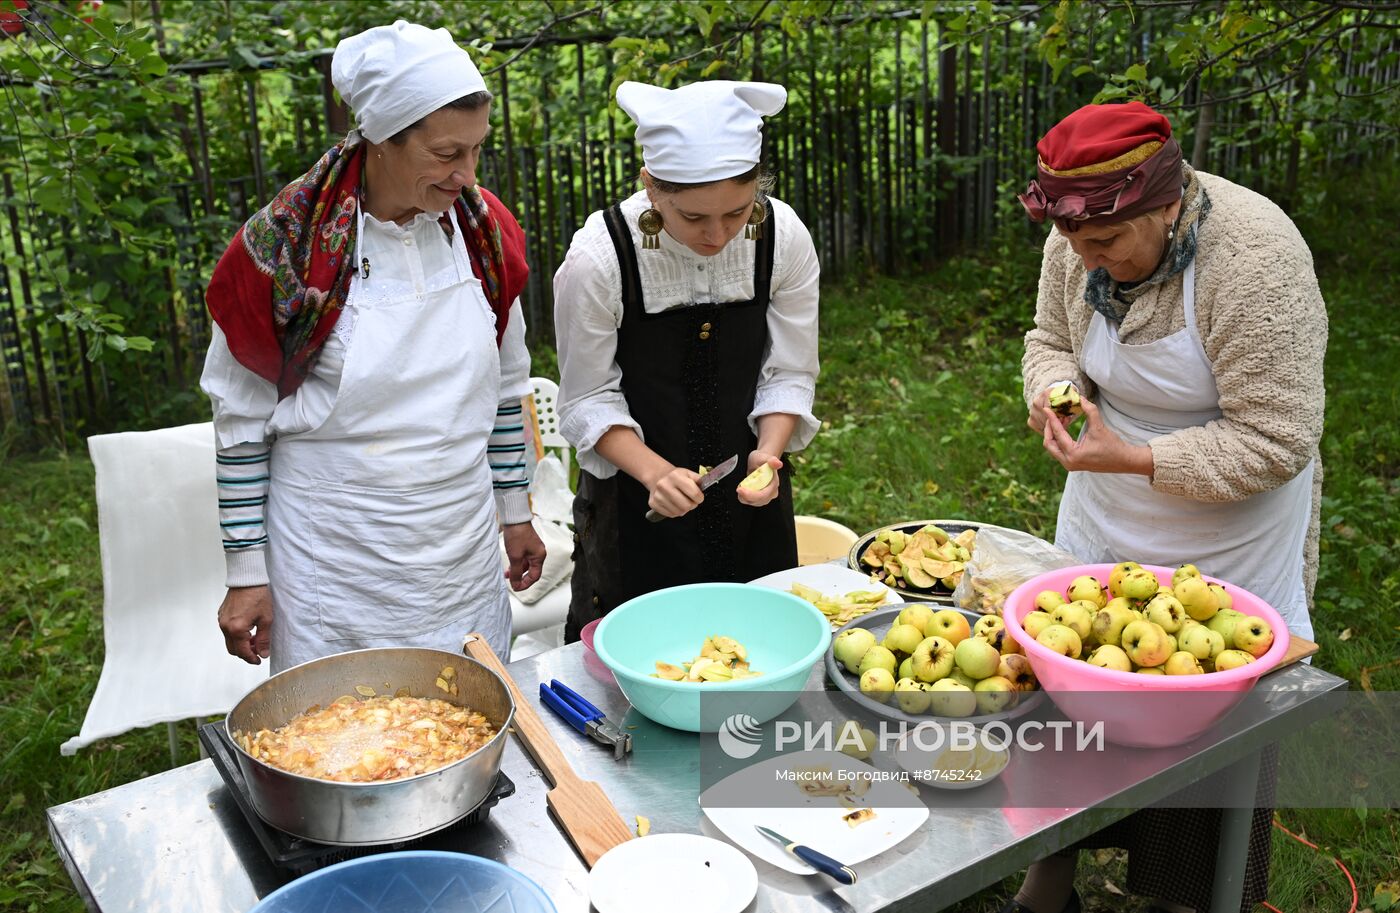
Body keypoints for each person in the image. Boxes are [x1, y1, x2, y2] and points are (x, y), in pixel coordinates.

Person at [1005, 102, 1327, 913]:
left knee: (1208, 713)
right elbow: (1048, 336)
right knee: (1071, 695)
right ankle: (1050, 877)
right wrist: (1054, 392)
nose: (1090, 262)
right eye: (1076, 244)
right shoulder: (1076, 235)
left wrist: (1137, 456)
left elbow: (1276, 440)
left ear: (1167, 201)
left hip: (1229, 534)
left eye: (1107, 243)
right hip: (1105, 508)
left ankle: (1188, 894)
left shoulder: (1255, 258)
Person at [201, 21, 544, 673]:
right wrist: (247, 571)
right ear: (381, 139)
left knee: (466, 713)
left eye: (476, 150)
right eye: (447, 153)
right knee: (347, 741)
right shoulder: (285, 253)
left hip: (459, 549)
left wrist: (515, 510)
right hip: (339, 558)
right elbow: (241, 425)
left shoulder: (483, 234)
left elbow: (505, 387)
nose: (466, 175)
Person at [553, 80, 821, 640]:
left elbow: (790, 370)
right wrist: (654, 473)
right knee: (643, 652)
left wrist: (768, 456)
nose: (718, 234)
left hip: (751, 496)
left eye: (736, 212)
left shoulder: (783, 235)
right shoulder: (599, 260)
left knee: (760, 645)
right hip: (635, 501)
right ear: (651, 186)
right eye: (694, 216)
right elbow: (586, 398)